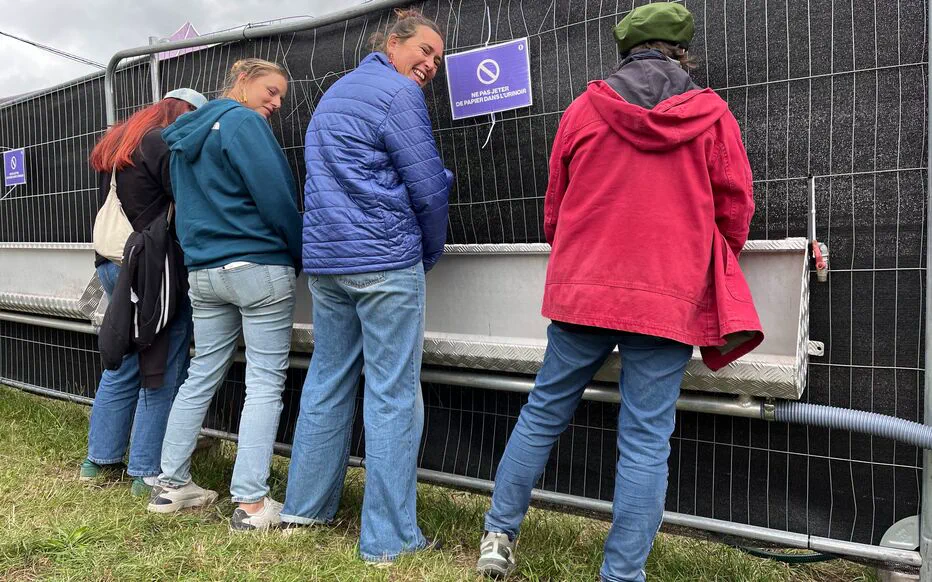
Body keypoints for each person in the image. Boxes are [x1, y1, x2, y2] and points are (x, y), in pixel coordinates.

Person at [474, 3, 763, 581]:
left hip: (584, 289)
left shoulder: (584, 109)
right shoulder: (712, 116)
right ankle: (622, 574)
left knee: (542, 413)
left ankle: (498, 537)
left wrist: (581, 260)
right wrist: (696, 262)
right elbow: (736, 208)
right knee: (646, 441)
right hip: (668, 295)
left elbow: (555, 208)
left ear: (625, 50)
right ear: (683, 51)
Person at [281, 8, 452, 564]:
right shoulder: (399, 95)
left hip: (329, 263)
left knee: (327, 382)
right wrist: (428, 250)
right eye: (424, 50)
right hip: (383, 260)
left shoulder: (334, 95)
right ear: (393, 43)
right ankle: (389, 539)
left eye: (437, 59)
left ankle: (304, 510)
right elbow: (427, 187)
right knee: (392, 394)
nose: (431, 64)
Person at [146, 59, 302, 532]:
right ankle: (251, 504)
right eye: (271, 90)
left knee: (200, 375)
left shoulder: (183, 137)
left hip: (204, 270)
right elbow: (277, 197)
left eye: (280, 97)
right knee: (264, 383)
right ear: (243, 81)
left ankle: (170, 485)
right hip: (258, 266)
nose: (276, 102)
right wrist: (297, 251)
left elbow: (184, 207)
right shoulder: (244, 124)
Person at [80, 88, 205, 497]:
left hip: (112, 264)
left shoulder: (121, 141)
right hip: (152, 269)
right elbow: (188, 203)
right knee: (161, 366)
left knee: (123, 363)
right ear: (186, 114)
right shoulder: (162, 143)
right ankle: (146, 471)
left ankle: (98, 461)